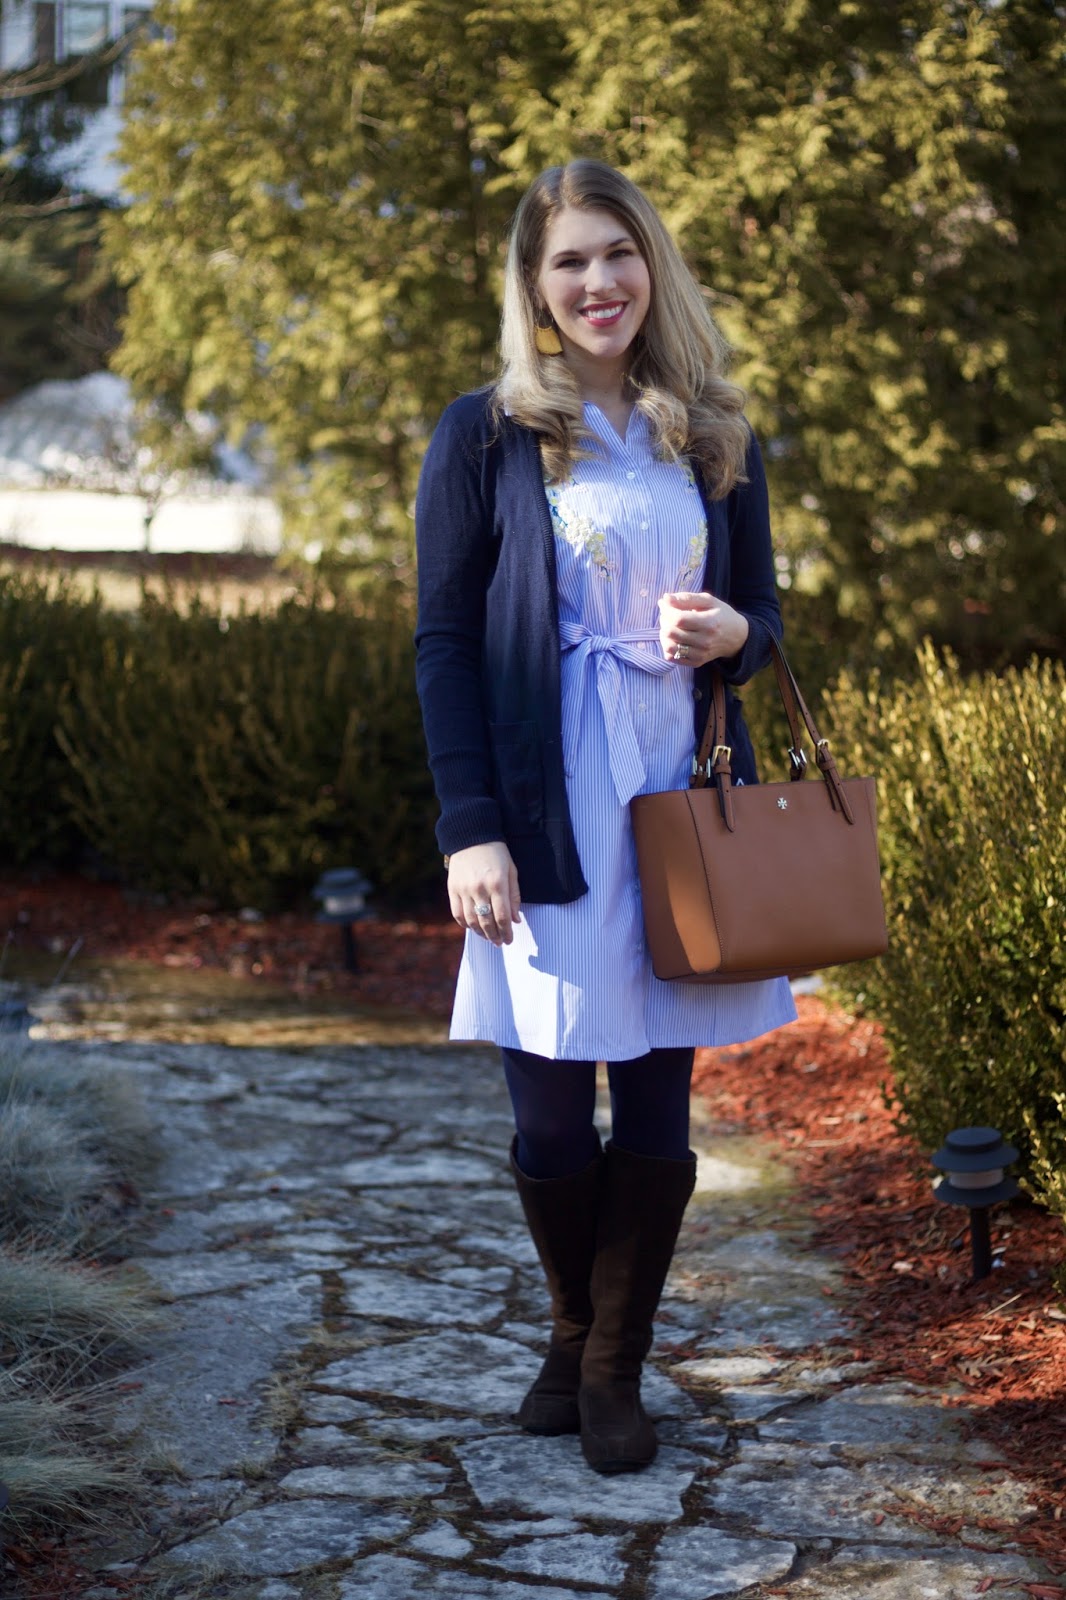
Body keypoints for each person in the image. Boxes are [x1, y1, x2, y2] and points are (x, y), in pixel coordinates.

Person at [414, 160, 796, 1475]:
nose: (597, 283)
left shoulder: (713, 428)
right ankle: (579, 1328)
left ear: (653, 268)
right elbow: (442, 645)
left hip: (675, 797)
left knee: (651, 1099)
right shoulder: (482, 433)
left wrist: (736, 631)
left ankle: (610, 1371)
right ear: (533, 286)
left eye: (616, 255)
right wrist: (471, 828)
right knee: (541, 1109)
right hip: (541, 801)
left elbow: (765, 623)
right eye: (569, 262)